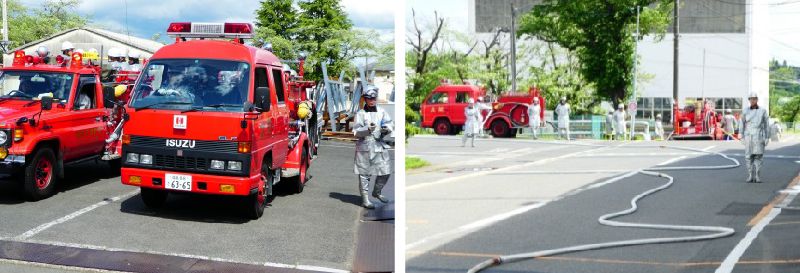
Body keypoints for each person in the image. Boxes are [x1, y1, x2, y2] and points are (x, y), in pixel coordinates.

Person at [353, 86, 393, 209]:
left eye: (374, 98)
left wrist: (387, 129)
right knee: (364, 174)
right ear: (365, 99)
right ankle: (365, 200)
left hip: (379, 144)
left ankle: (376, 192)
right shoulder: (360, 114)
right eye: (369, 98)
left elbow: (389, 123)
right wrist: (367, 129)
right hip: (365, 146)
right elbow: (355, 131)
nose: (372, 101)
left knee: (385, 171)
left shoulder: (382, 111)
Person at [741, 92, 769, 183]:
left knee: (759, 156)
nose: (752, 100)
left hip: (759, 135)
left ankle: (757, 175)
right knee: (748, 156)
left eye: (754, 98)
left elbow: (766, 125)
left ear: (757, 99)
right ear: (749, 100)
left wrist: (767, 137)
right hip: (748, 135)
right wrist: (741, 135)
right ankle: (750, 175)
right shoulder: (745, 111)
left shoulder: (763, 111)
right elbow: (742, 123)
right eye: (751, 99)